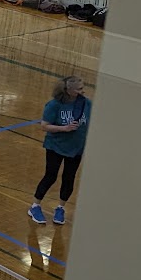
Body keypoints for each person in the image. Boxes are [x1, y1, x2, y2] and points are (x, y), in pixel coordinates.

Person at [29, 75, 92, 225]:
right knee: (50, 176)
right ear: (69, 90)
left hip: (76, 148)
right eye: (79, 89)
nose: (82, 91)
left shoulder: (86, 104)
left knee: (69, 178)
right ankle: (35, 206)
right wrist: (64, 128)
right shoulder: (55, 105)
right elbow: (44, 126)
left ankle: (60, 208)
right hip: (55, 146)